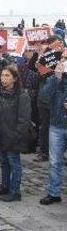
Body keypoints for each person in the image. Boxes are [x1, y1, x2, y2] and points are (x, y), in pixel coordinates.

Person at [0, 65, 31, 202]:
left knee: (14, 164)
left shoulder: (22, 95)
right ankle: (4, 186)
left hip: (13, 136)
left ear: (15, 79)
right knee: (4, 162)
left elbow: (24, 120)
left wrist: (15, 136)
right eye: (2, 75)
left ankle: (15, 191)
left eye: (7, 76)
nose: (3, 78)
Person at [39, 57, 67, 205]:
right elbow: (43, 97)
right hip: (57, 126)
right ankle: (54, 192)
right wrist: (56, 78)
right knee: (55, 161)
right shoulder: (55, 78)